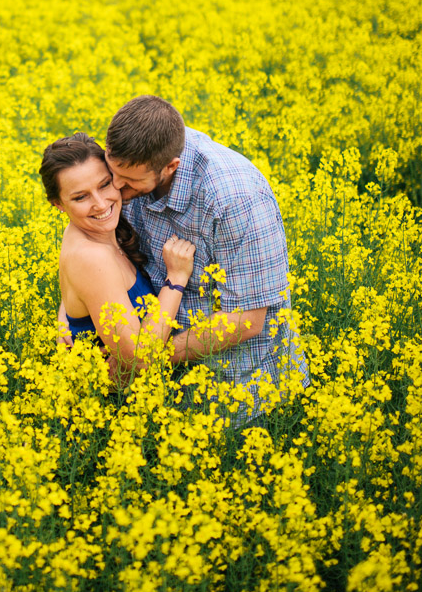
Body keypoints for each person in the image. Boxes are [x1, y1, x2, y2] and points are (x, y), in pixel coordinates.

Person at [62, 96, 310, 424]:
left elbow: (248, 319)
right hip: (157, 392)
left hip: (236, 394)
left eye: (128, 182)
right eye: (112, 173)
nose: (115, 190)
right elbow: (87, 232)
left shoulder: (235, 202)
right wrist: (68, 314)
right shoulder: (132, 153)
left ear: (170, 167)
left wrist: (145, 358)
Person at [39, 133, 196, 379]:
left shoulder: (83, 230)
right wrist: (175, 279)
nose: (101, 204)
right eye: (81, 197)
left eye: (104, 184)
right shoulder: (92, 258)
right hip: (121, 407)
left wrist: (66, 317)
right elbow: (140, 361)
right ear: (58, 204)